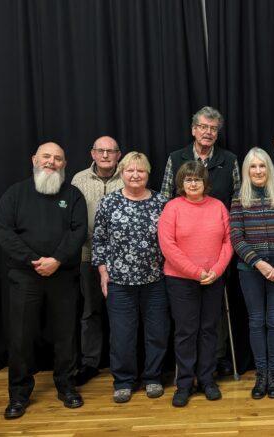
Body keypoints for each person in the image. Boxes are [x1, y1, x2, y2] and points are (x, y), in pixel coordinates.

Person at [0, 142, 87, 419]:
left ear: (64, 164)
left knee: (65, 334)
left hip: (63, 276)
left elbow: (78, 230)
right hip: (25, 276)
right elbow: (5, 232)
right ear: (34, 159)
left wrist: (57, 259)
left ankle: (66, 385)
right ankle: (19, 394)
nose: (51, 162)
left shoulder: (72, 195)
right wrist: (34, 260)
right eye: (46, 156)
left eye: (57, 158)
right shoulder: (15, 194)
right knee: (22, 337)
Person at [160, 106, 240, 377]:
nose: (208, 132)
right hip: (182, 260)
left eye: (213, 129)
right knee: (186, 325)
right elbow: (164, 198)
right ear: (193, 129)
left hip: (218, 253)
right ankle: (185, 377)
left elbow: (238, 202)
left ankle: (212, 368)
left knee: (212, 321)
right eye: (203, 127)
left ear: (218, 134)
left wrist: (219, 262)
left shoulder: (229, 160)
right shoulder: (176, 158)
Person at [91, 152, 169, 404]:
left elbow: (171, 240)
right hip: (119, 282)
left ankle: (153, 377)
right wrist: (103, 272)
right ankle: (123, 381)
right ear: (122, 173)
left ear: (148, 174)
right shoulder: (108, 203)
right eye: (130, 171)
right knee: (122, 335)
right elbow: (99, 240)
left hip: (155, 280)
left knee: (157, 332)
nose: (135, 175)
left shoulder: (161, 202)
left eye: (141, 171)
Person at [158, 161, 233, 407]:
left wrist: (216, 270)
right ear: (181, 183)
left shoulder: (218, 207)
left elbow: (228, 242)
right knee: (186, 332)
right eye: (188, 179)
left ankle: (206, 380)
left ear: (205, 183)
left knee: (209, 330)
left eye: (197, 179)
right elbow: (168, 245)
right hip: (181, 280)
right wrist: (195, 272)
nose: (193, 183)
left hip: (213, 278)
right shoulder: (172, 208)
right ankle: (184, 383)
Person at [230, 147, 274, 399]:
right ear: (247, 171)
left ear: (269, 169)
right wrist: (258, 263)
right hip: (250, 270)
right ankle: (261, 375)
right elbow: (236, 236)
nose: (258, 171)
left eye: (262, 166)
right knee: (256, 321)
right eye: (253, 166)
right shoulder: (238, 198)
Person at [70, 136, 123, 386]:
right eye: (100, 151)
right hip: (87, 256)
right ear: (92, 154)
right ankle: (90, 362)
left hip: (122, 259)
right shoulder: (79, 180)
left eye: (110, 152)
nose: (105, 156)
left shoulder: (128, 176)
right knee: (90, 310)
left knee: (122, 312)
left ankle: (121, 362)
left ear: (118, 155)